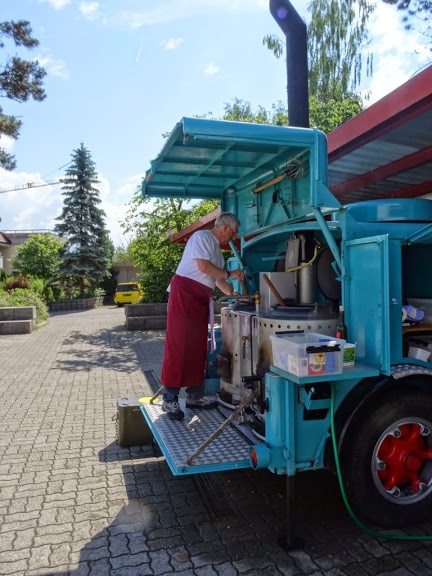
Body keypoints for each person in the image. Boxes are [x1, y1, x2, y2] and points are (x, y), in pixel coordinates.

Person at [161, 212, 245, 420]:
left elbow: (218, 280)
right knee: (179, 346)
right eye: (234, 233)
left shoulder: (217, 251)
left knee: (198, 347)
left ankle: (194, 396)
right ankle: (169, 399)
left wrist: (236, 296)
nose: (233, 237)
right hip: (183, 296)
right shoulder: (201, 237)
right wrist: (230, 274)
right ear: (226, 227)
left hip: (199, 299)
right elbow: (204, 267)